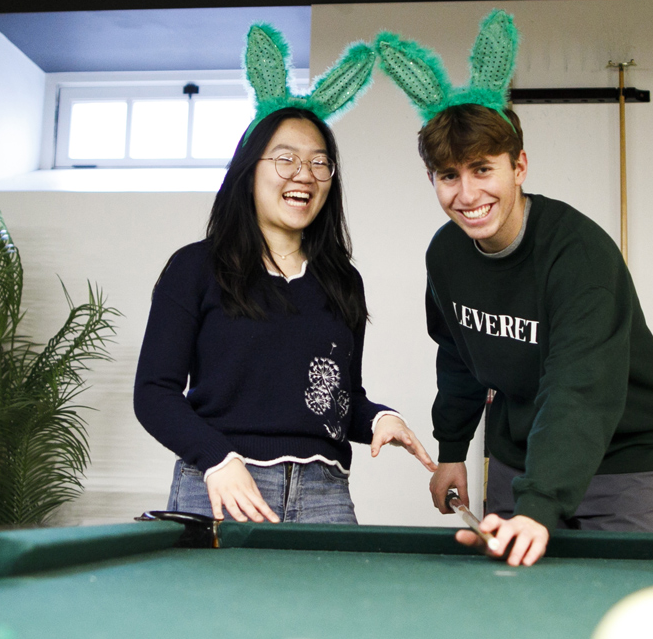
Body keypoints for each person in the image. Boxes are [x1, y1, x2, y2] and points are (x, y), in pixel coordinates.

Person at [371, 11, 653, 567]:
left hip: (622, 464)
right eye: (449, 176)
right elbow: (459, 355)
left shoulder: (578, 255)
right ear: (432, 180)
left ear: (519, 166)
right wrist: (451, 453)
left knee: (613, 613)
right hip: (518, 460)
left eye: (482, 169)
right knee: (512, 610)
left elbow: (579, 390)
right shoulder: (446, 255)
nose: (467, 195)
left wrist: (538, 507)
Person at [135, 29, 433, 523]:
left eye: (320, 163)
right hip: (225, 486)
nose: (305, 174)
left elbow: (337, 398)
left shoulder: (343, 281)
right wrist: (216, 459)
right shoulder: (195, 267)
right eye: (286, 159)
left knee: (335, 605)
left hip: (325, 494)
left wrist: (380, 417)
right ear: (250, 170)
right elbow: (154, 393)